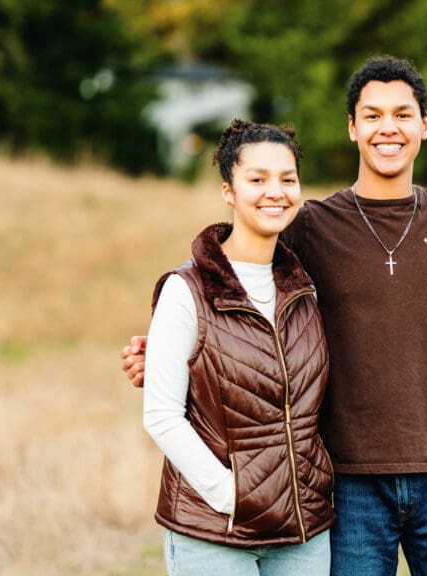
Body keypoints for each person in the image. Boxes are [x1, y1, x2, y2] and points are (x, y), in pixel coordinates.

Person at [124, 56, 427, 576]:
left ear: (425, 126)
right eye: (373, 114)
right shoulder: (310, 224)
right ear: (352, 127)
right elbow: (230, 281)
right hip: (348, 478)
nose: (389, 128)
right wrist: (164, 346)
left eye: (403, 115)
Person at [142, 119, 334, 575]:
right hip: (215, 531)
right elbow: (162, 415)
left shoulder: (305, 289)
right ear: (228, 191)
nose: (276, 191)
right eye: (257, 179)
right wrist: (231, 495)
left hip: (302, 532)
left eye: (288, 179)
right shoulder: (186, 289)